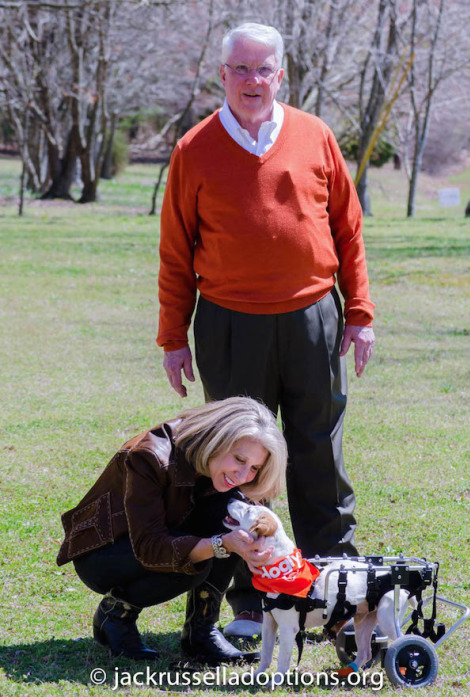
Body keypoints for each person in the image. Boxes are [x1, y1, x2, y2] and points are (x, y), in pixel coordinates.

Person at [157, 22, 375, 638]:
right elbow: (176, 252)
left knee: (317, 448)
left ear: (281, 74)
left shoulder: (315, 136)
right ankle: (253, 599)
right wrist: (174, 335)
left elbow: (348, 229)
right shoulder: (194, 149)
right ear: (222, 75)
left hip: (312, 316)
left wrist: (357, 313)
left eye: (265, 69)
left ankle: (334, 586)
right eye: (241, 69)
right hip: (229, 323)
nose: (253, 80)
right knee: (238, 465)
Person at [56, 397, 287, 662]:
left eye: (255, 468)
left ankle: (201, 632)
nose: (243, 475)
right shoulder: (150, 455)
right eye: (239, 459)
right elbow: (151, 548)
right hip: (104, 553)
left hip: (162, 537)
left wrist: (254, 544)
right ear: (217, 440)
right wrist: (220, 544)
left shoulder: (221, 467)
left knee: (234, 517)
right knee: (190, 561)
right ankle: (116, 615)